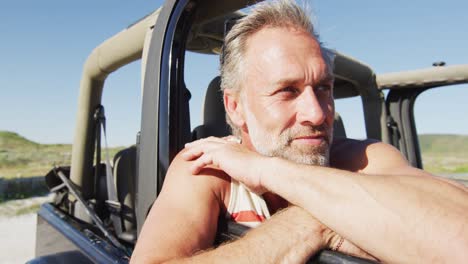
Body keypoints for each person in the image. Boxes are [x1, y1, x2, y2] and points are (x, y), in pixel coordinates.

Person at [131, 0, 468, 263]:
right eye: (287, 91)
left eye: (323, 88)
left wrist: (269, 171)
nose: (318, 113)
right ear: (235, 107)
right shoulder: (207, 169)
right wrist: (313, 220)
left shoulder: (364, 159)